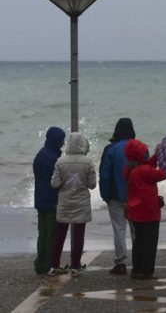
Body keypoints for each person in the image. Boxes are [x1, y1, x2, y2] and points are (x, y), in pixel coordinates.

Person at [49, 132, 97, 276]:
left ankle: (55, 265)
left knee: (60, 234)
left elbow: (55, 183)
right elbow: (92, 184)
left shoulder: (60, 161)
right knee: (79, 235)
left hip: (64, 202)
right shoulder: (88, 162)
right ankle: (75, 266)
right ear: (82, 144)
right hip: (81, 203)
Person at [123, 139, 166, 280]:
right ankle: (146, 271)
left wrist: (156, 156)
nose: (147, 154)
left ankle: (137, 269)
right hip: (149, 212)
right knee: (150, 243)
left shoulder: (129, 169)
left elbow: (147, 167)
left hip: (136, 212)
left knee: (139, 242)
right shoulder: (144, 171)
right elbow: (162, 174)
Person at [99, 117, 135, 275]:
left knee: (119, 229)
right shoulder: (139, 147)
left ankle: (120, 262)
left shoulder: (110, 149)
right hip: (135, 194)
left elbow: (105, 174)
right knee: (136, 229)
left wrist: (104, 194)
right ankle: (139, 261)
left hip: (115, 195)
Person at [32, 126, 66, 275]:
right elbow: (58, 181)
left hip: (40, 199)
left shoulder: (40, 155)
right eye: (62, 140)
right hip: (52, 200)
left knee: (43, 232)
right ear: (56, 141)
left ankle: (40, 263)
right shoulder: (54, 158)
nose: (63, 143)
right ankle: (48, 263)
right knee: (51, 233)